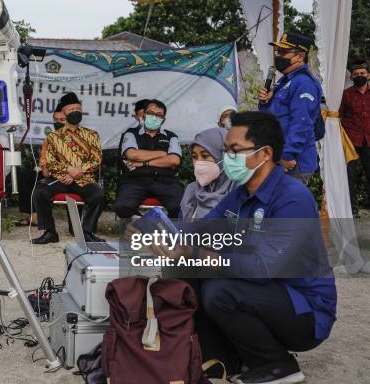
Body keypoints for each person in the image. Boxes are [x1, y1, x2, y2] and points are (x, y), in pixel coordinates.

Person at [144, 112, 337, 384]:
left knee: (220, 290)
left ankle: (278, 365)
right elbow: (205, 229)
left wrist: (198, 254)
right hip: (264, 294)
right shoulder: (240, 193)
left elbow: (264, 268)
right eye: (226, 151)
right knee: (184, 268)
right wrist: (162, 231)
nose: (228, 158)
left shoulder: (292, 198)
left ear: (265, 153)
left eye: (235, 150)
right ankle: (222, 359)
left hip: (304, 309)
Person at [31, 92, 104, 244]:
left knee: (97, 194)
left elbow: (96, 160)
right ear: (63, 113)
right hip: (60, 179)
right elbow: (50, 163)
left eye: (78, 108)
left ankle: (87, 233)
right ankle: (50, 232)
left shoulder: (92, 135)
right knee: (40, 192)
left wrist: (77, 172)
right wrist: (68, 170)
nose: (76, 112)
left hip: (84, 179)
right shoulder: (53, 137)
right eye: (71, 110)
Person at [258, 32, 323, 183]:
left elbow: (301, 124)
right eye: (277, 51)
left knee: (288, 205)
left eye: (283, 52)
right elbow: (272, 117)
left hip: (293, 162)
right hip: (278, 156)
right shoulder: (284, 82)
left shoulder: (303, 84)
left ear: (300, 56)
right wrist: (265, 102)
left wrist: (286, 155)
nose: (278, 56)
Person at [114, 99, 183, 218]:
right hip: (135, 180)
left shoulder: (171, 137)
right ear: (144, 114)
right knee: (122, 206)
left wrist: (143, 163)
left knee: (181, 207)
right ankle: (140, 228)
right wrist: (162, 153)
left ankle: (168, 232)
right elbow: (132, 155)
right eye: (151, 113)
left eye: (159, 115)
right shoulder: (130, 134)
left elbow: (174, 160)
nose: (154, 117)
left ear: (163, 119)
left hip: (165, 181)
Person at [17, 105, 67, 227]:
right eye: (55, 120)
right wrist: (44, 167)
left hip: (65, 175)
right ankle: (31, 213)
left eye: (62, 120)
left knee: (40, 183)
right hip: (49, 173)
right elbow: (44, 158)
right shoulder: (49, 138)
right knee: (25, 174)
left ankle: (38, 215)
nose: (58, 122)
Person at [179, 127, 236, 220]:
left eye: (205, 156)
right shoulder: (192, 191)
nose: (198, 162)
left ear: (224, 156)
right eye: (194, 156)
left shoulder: (240, 193)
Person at [340, 59, 370, 213]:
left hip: (369, 140)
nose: (359, 76)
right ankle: (351, 209)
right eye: (356, 74)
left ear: (368, 75)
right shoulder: (346, 95)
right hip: (351, 141)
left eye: (362, 73)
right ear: (351, 77)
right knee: (349, 176)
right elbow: (340, 115)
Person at [116, 99, 149, 174]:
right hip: (135, 178)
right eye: (142, 115)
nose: (145, 117)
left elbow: (171, 161)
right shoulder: (129, 134)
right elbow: (123, 161)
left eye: (148, 114)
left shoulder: (166, 135)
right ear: (136, 117)